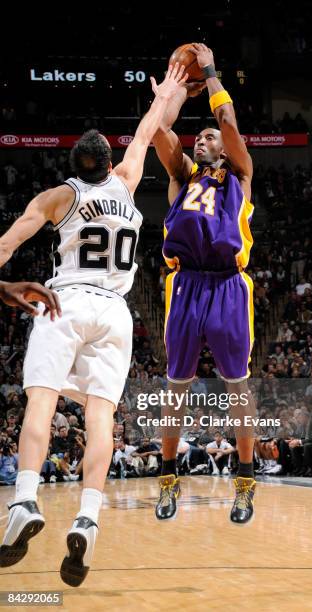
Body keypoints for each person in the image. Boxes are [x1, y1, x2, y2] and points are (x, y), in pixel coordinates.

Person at [0, 63, 188, 586]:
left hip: (65, 302)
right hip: (116, 312)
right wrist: (168, 95)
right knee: (101, 416)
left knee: (41, 400)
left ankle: (24, 501)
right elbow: (149, 131)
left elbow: (7, 245)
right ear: (108, 162)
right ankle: (88, 517)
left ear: (74, 166)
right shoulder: (126, 186)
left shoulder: (59, 197)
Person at [152, 43, 256, 524]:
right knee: (175, 389)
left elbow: (231, 125)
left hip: (229, 286)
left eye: (210, 137)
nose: (204, 140)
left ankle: (245, 481)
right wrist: (171, 95)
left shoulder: (240, 174)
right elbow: (159, 131)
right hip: (187, 284)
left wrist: (211, 75)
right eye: (202, 137)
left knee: (238, 388)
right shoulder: (183, 175)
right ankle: (168, 479)